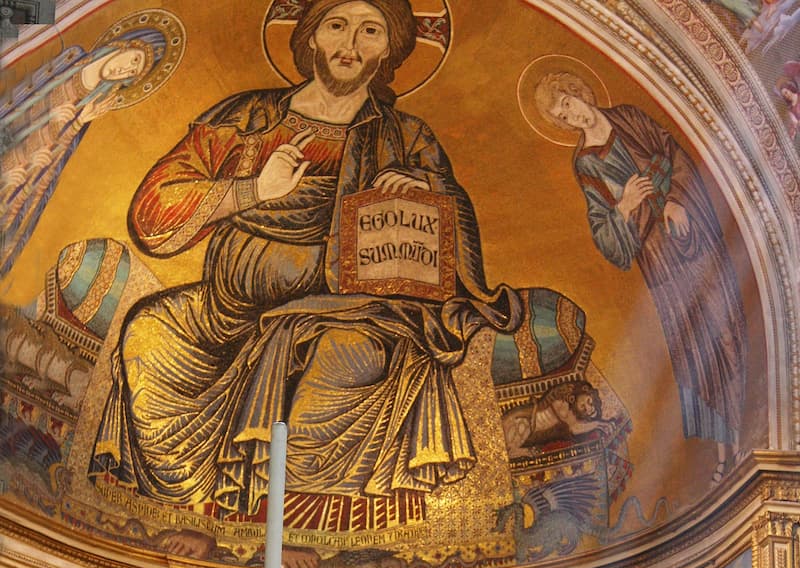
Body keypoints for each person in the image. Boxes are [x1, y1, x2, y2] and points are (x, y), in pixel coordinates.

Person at [91, 0, 520, 530]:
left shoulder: (406, 137)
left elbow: (456, 251)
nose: (350, 45)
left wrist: (428, 192)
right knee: (146, 332)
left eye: (370, 31)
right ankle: (191, 514)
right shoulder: (246, 117)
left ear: (389, 49)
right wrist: (253, 189)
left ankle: (303, 525)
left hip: (351, 312)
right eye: (337, 26)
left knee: (347, 356)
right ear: (311, 37)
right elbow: (152, 214)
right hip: (225, 315)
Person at [532, 72, 746, 485]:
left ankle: (744, 432)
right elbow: (605, 234)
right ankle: (723, 451)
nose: (571, 115)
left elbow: (673, 153)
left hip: (692, 231)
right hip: (658, 257)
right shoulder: (586, 164)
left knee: (725, 326)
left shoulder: (629, 117)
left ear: (578, 91)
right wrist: (625, 207)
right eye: (562, 115)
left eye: (568, 103)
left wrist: (677, 200)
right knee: (695, 346)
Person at [0, 26, 170, 277]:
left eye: (133, 73)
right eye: (133, 60)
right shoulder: (70, 59)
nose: (125, 71)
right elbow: (16, 108)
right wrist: (50, 112)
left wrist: (79, 122)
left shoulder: (94, 102)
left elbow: (54, 153)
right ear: (126, 44)